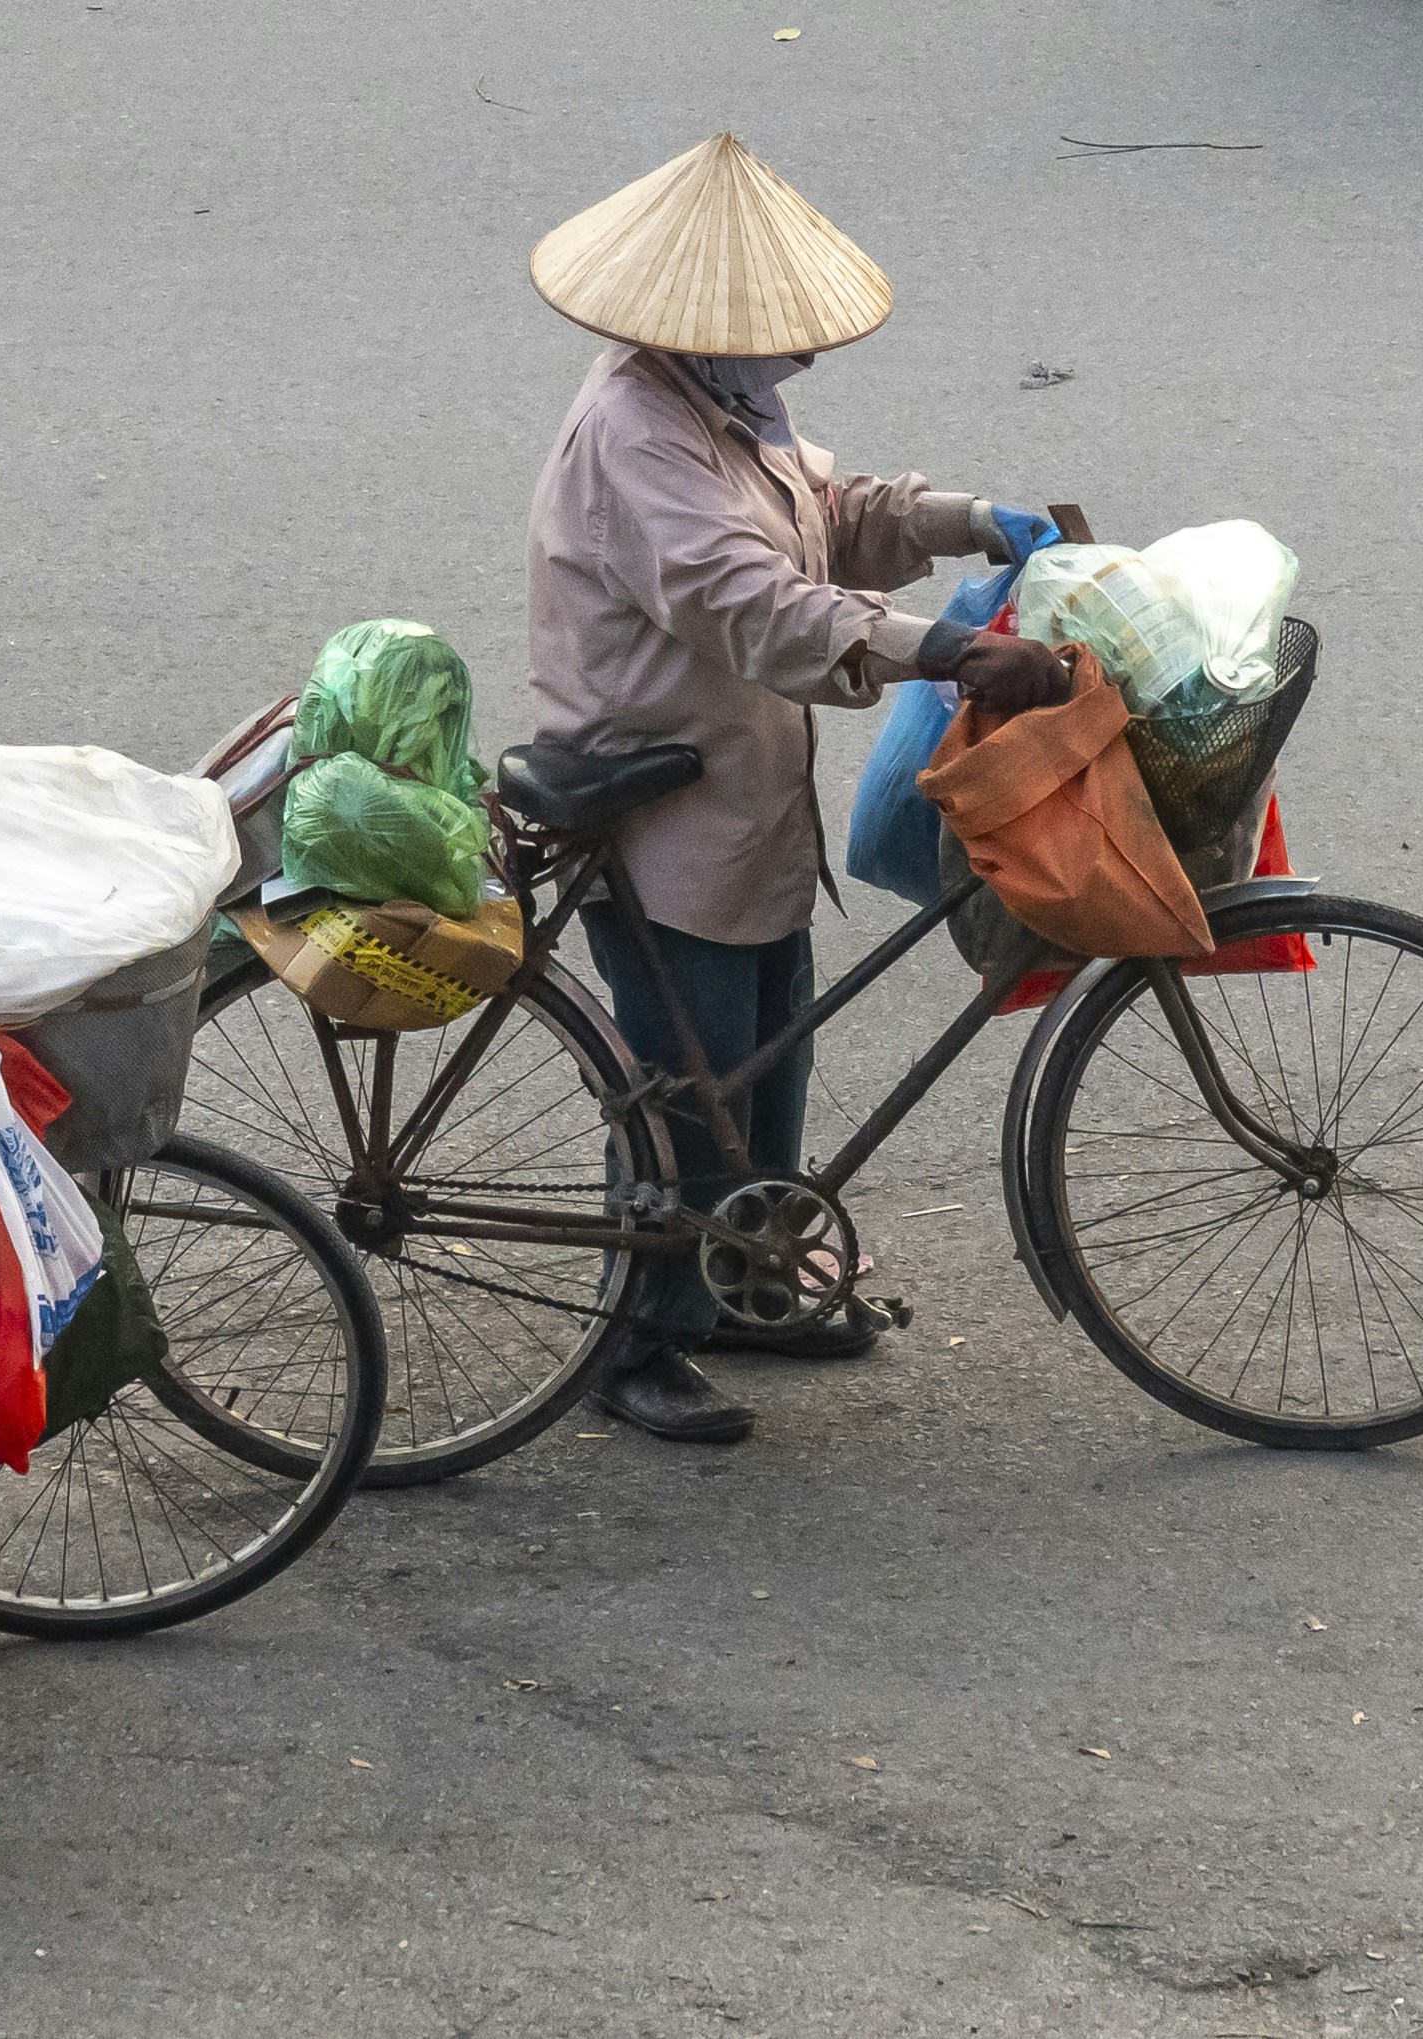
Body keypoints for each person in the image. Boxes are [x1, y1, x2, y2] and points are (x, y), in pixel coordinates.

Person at [523, 134, 1070, 1444]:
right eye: (777, 336)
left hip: (741, 791)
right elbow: (755, 602)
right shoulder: (636, 436)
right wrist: (944, 649)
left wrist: (969, 518)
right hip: (661, 806)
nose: (798, 359)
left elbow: (825, 512)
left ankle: (748, 1283)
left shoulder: (718, 406)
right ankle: (636, 1336)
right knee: (689, 1090)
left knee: (764, 1067)